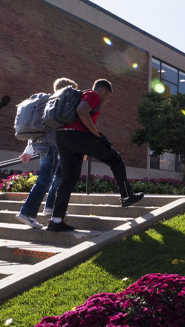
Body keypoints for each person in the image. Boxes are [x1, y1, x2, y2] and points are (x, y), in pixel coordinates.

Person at [48, 79, 143, 232]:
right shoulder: (93, 95)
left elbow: (78, 117)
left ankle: (56, 220)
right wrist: (97, 135)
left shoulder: (78, 96)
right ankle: (127, 197)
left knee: (68, 179)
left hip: (62, 137)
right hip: (79, 137)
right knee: (116, 159)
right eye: (108, 96)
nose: (107, 100)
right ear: (104, 90)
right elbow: (82, 111)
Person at [15, 77, 77, 229]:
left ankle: (49, 207)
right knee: (45, 178)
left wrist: (28, 150)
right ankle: (27, 212)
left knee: (58, 176)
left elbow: (36, 127)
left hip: (41, 143)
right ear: (68, 89)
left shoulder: (46, 101)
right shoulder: (58, 103)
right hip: (51, 145)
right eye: (73, 90)